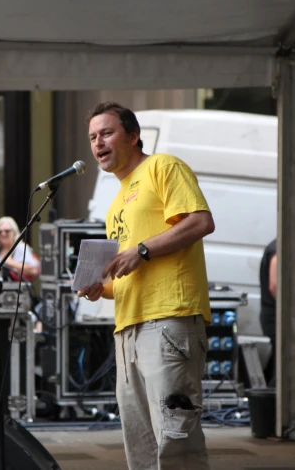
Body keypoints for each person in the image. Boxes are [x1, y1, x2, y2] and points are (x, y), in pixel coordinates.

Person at [78, 102, 215, 470]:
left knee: (176, 440)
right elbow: (129, 271)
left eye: (106, 133)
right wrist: (100, 288)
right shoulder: (115, 203)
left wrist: (143, 248)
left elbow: (201, 222)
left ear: (133, 136)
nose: (97, 143)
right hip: (127, 332)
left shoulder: (163, 167)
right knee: (140, 447)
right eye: (92, 137)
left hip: (168, 321)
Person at [258, 226, 295, 386]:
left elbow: (288, 276)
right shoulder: (278, 250)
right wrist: (290, 310)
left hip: (282, 318)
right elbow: (274, 285)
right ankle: (272, 400)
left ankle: (266, 395)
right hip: (279, 318)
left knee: (279, 362)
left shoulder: (284, 249)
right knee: (283, 366)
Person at [0, 216, 41, 282]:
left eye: (7, 231)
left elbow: (34, 271)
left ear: (14, 233)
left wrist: (10, 262)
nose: (3, 234)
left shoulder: (21, 247)